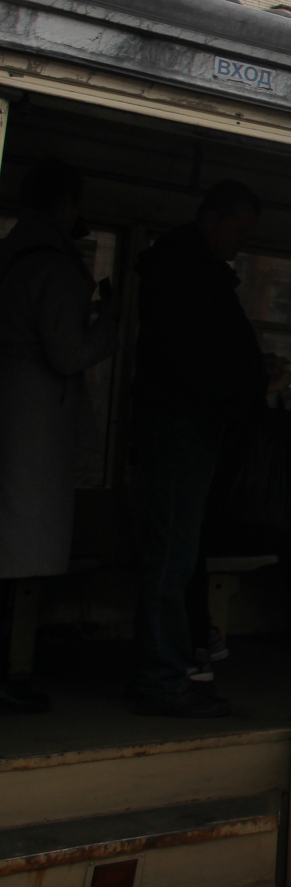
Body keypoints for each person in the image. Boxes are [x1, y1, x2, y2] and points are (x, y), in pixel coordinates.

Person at [131, 180, 266, 717]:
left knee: (176, 554)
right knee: (172, 557)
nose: (240, 243)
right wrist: (253, 385)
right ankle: (161, 673)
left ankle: (169, 663)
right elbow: (197, 362)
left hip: (186, 424)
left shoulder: (181, 270)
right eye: (238, 230)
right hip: (183, 426)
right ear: (211, 220)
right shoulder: (188, 278)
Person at [0, 160, 120, 713]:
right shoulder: (52, 266)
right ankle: (9, 670)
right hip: (34, 423)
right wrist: (108, 326)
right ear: (65, 205)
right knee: (18, 553)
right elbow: (68, 353)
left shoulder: (13, 254)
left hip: (14, 410)